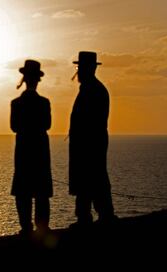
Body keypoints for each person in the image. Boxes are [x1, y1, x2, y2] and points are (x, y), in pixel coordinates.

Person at [69, 51, 116, 227]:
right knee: (92, 178)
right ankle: (91, 216)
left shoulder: (93, 90)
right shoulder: (92, 89)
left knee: (94, 177)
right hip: (90, 142)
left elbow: (91, 121)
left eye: (79, 67)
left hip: (90, 143)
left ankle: (97, 215)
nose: (78, 71)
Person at [10, 60, 53, 237]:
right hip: (40, 149)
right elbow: (48, 125)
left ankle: (25, 227)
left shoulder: (16, 103)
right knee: (41, 191)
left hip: (23, 150)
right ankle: (42, 227)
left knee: (23, 191)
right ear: (37, 81)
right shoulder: (44, 102)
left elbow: (14, 127)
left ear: (25, 80)